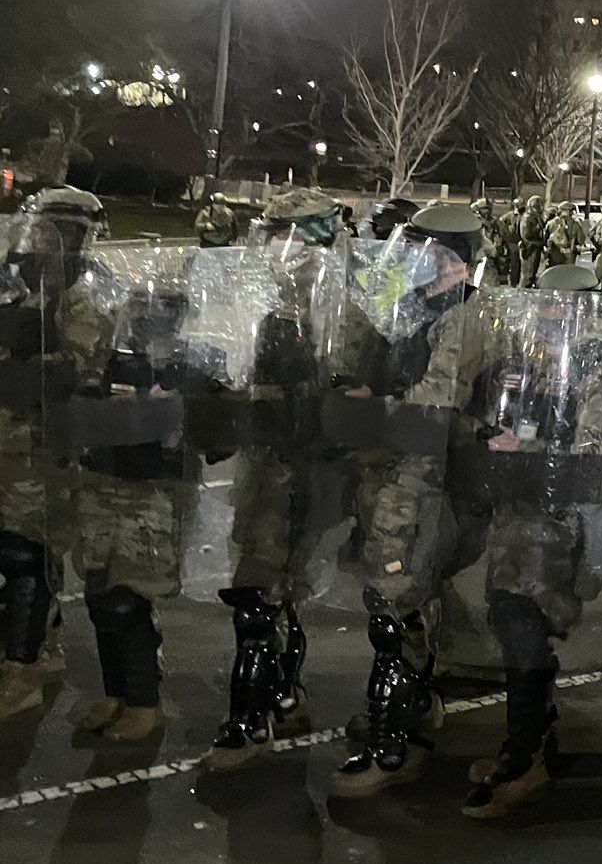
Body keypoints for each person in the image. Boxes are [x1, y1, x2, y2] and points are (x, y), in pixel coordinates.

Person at [323, 202, 489, 797]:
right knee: (398, 601)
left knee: (394, 608)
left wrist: (376, 400)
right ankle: (414, 707)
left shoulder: (470, 317)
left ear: (455, 260)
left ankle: (398, 747)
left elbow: (435, 401)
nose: (417, 261)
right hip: (391, 475)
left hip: (424, 479)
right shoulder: (416, 308)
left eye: (430, 253)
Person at [456, 261, 602, 818]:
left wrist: (519, 454)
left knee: (525, 626)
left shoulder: (595, 365)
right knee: (512, 624)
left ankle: (524, 755)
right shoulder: (524, 359)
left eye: (566, 306)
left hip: (562, 524)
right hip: (516, 518)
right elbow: (496, 417)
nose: (555, 315)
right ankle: (534, 737)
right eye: (548, 304)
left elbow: (592, 450)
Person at [196, 189, 349, 769]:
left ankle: (249, 716)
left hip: (305, 465)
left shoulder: (339, 304)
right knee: (269, 588)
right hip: (267, 461)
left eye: (291, 236)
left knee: (259, 591)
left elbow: (340, 386)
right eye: (274, 235)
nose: (279, 247)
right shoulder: (265, 295)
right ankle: (284, 693)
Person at [58, 241, 198, 743]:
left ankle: (145, 702)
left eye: (160, 310)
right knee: (99, 593)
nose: (146, 320)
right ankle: (115, 692)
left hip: (149, 493)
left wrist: (160, 399)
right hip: (101, 482)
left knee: (129, 600)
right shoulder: (111, 357)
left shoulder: (189, 364)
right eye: (139, 309)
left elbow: (197, 435)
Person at [0, 188, 109, 724]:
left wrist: (34, 358)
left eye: (63, 229)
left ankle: (22, 672)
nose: (50, 236)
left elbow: (85, 368)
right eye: (44, 225)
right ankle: (36, 647)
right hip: (5, 443)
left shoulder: (86, 292)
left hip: (46, 450)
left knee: (29, 556)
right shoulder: (15, 284)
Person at [516, 197, 547, 288]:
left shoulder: (535, 217)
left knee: (532, 274)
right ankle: (523, 294)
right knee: (527, 275)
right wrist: (538, 242)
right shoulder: (528, 217)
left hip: (534, 248)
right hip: (529, 249)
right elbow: (526, 236)